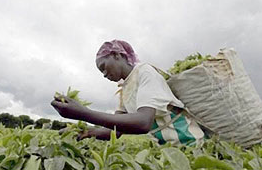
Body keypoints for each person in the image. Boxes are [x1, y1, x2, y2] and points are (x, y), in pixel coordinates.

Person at [51, 40, 205, 145]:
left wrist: (83, 113)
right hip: (168, 150)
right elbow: (114, 131)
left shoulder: (145, 72)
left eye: (104, 66)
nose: (104, 74)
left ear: (117, 55)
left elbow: (143, 122)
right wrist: (84, 132)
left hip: (189, 142)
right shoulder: (125, 90)